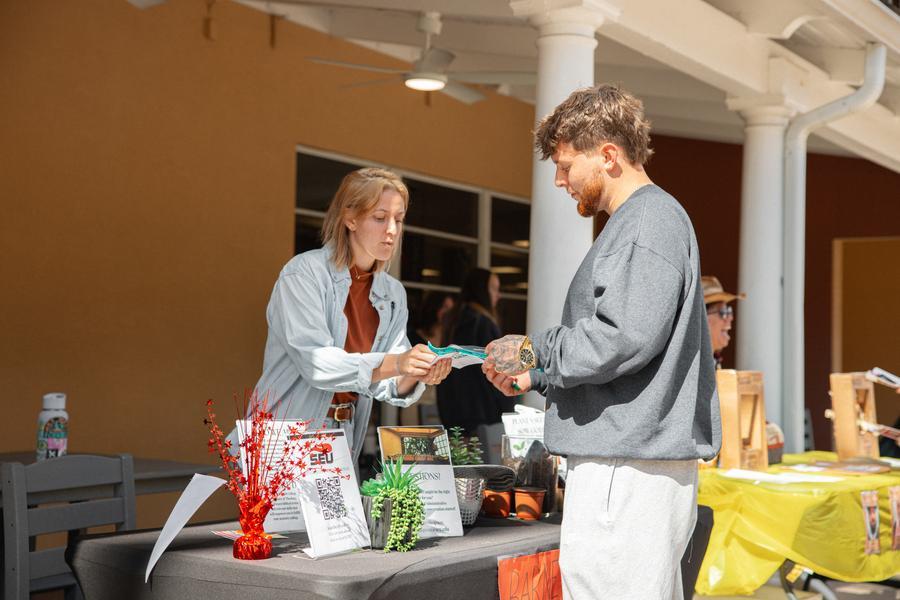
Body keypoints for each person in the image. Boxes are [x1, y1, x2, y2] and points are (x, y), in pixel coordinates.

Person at [482, 85, 720, 600]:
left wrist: (533, 351)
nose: (559, 179)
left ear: (609, 155)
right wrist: (538, 375)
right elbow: (628, 344)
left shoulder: (647, 221)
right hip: (632, 463)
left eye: (567, 164)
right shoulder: (644, 222)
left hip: (628, 467)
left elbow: (623, 338)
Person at [231, 167, 452, 465]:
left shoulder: (392, 294)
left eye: (398, 220)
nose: (392, 230)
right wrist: (398, 362)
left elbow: (387, 382)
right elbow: (318, 365)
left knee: (340, 514)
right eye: (379, 217)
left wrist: (416, 372)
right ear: (350, 218)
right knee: (282, 515)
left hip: (344, 434)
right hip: (283, 437)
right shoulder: (304, 273)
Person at [437, 268, 516, 434]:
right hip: (483, 416)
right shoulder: (482, 323)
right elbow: (498, 370)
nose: (498, 295)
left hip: (453, 411)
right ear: (481, 290)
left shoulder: (454, 319)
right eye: (494, 288)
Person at [702, 276, 745, 368]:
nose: (731, 317)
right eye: (723, 312)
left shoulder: (712, 361)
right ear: (702, 318)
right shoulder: (691, 366)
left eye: (729, 311)